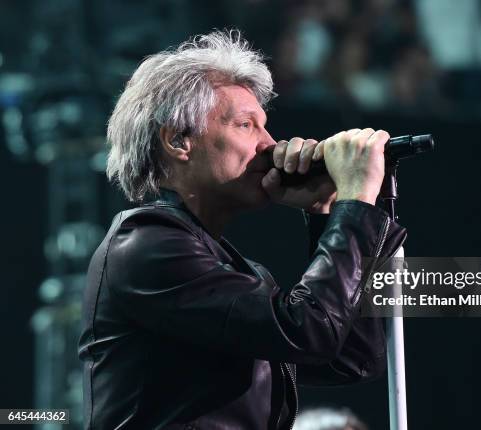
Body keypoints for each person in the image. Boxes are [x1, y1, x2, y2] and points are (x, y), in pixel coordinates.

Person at [78, 30, 406, 430]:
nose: (270, 144)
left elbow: (352, 359)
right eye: (246, 125)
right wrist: (354, 203)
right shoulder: (146, 245)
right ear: (179, 140)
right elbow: (307, 331)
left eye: (265, 126)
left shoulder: (237, 273)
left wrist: (329, 211)